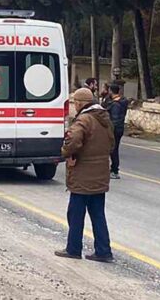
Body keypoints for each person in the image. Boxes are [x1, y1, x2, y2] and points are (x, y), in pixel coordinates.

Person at [55, 88, 115, 263]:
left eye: (75, 103)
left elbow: (73, 141)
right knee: (98, 214)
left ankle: (73, 248)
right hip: (100, 173)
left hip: (83, 175)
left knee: (75, 214)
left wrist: (65, 152)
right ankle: (103, 251)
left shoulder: (84, 119)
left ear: (80, 103)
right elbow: (111, 143)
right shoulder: (104, 119)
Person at [103, 84, 128, 179]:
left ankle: (114, 170)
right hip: (120, 128)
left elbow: (115, 118)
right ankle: (113, 169)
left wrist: (110, 129)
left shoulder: (115, 105)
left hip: (114, 128)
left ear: (110, 91)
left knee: (112, 149)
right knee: (114, 149)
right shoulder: (123, 101)